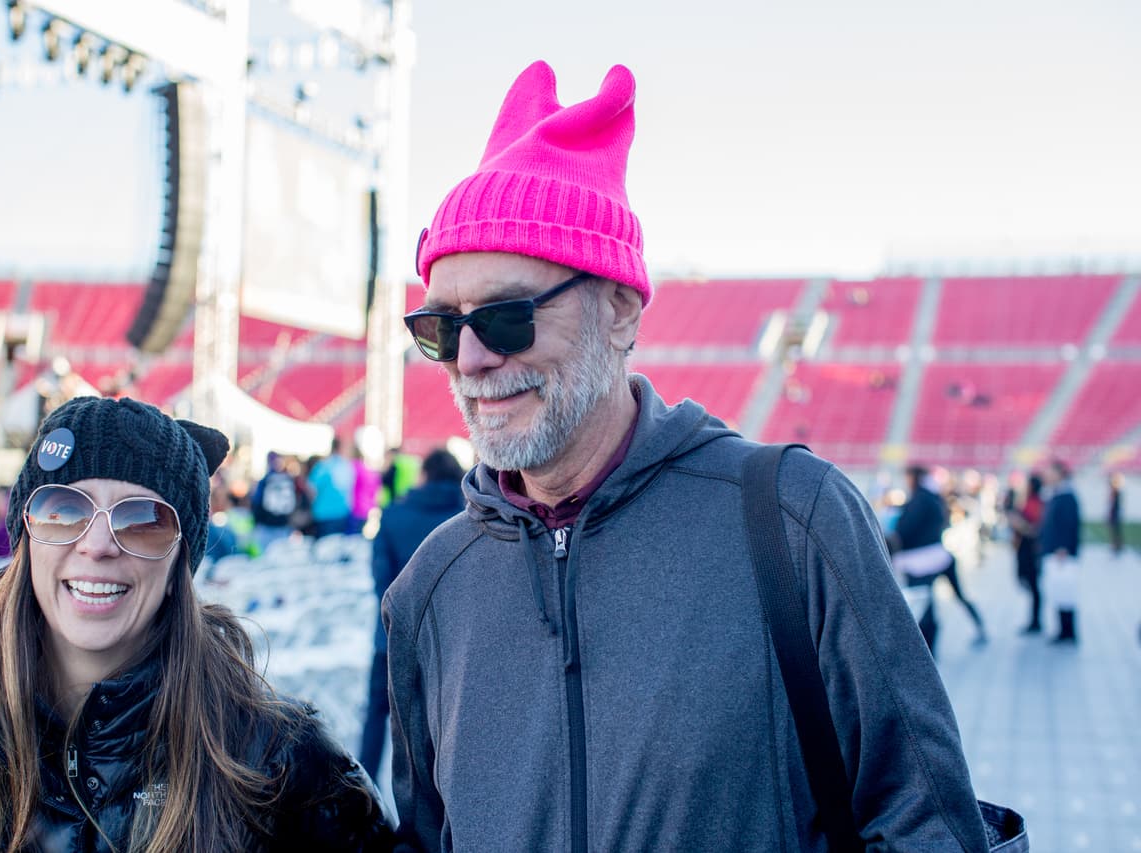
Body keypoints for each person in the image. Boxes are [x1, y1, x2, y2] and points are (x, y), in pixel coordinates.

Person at [384, 61, 991, 851]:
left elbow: (930, 825)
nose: (469, 360)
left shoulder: (792, 519)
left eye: (504, 317)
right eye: (440, 327)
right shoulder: (428, 587)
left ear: (621, 309)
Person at [0, 396, 393, 851]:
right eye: (63, 511)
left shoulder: (281, 760)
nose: (96, 545)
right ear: (26, 538)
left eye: (143, 521)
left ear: (180, 563)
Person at [359, 448, 465, 780]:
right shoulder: (468, 515)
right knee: (444, 725)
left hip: (391, 638)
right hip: (451, 642)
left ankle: (363, 793)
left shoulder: (393, 515)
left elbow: (382, 582)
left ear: (425, 475)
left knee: (378, 716)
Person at [891, 465, 985, 653]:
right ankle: (979, 626)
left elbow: (905, 530)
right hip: (938, 554)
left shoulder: (920, 500)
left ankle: (929, 649)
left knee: (925, 607)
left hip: (921, 560)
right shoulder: (931, 497)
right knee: (958, 595)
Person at [1041, 459, 1081, 644]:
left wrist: (1063, 548)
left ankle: (1068, 631)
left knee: (1066, 592)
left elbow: (1068, 524)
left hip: (1061, 553)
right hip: (1054, 551)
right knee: (1058, 592)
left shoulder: (1067, 495)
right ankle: (1063, 630)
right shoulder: (1056, 494)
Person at [1007, 472, 1045, 634]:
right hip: (1023, 546)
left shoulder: (1037, 503)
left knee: (1033, 584)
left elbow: (1034, 529)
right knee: (1025, 580)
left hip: (1030, 549)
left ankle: (1036, 621)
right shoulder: (1026, 501)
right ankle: (1034, 619)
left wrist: (1019, 524)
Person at [249, 450, 299, 554]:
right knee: (280, 556)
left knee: (264, 557)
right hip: (283, 525)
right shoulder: (288, 479)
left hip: (266, 525)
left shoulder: (265, 480)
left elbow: (256, 501)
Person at [307, 437, 356, 539]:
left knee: (326, 549)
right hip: (341, 514)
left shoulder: (324, 466)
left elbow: (311, 489)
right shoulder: (347, 466)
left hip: (326, 514)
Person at [1107, 471, 1124, 556]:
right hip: (1114, 514)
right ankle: (1116, 546)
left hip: (1115, 514)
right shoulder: (1115, 492)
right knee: (1115, 530)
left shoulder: (1116, 492)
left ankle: (1117, 546)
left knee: (1115, 531)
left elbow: (1113, 505)